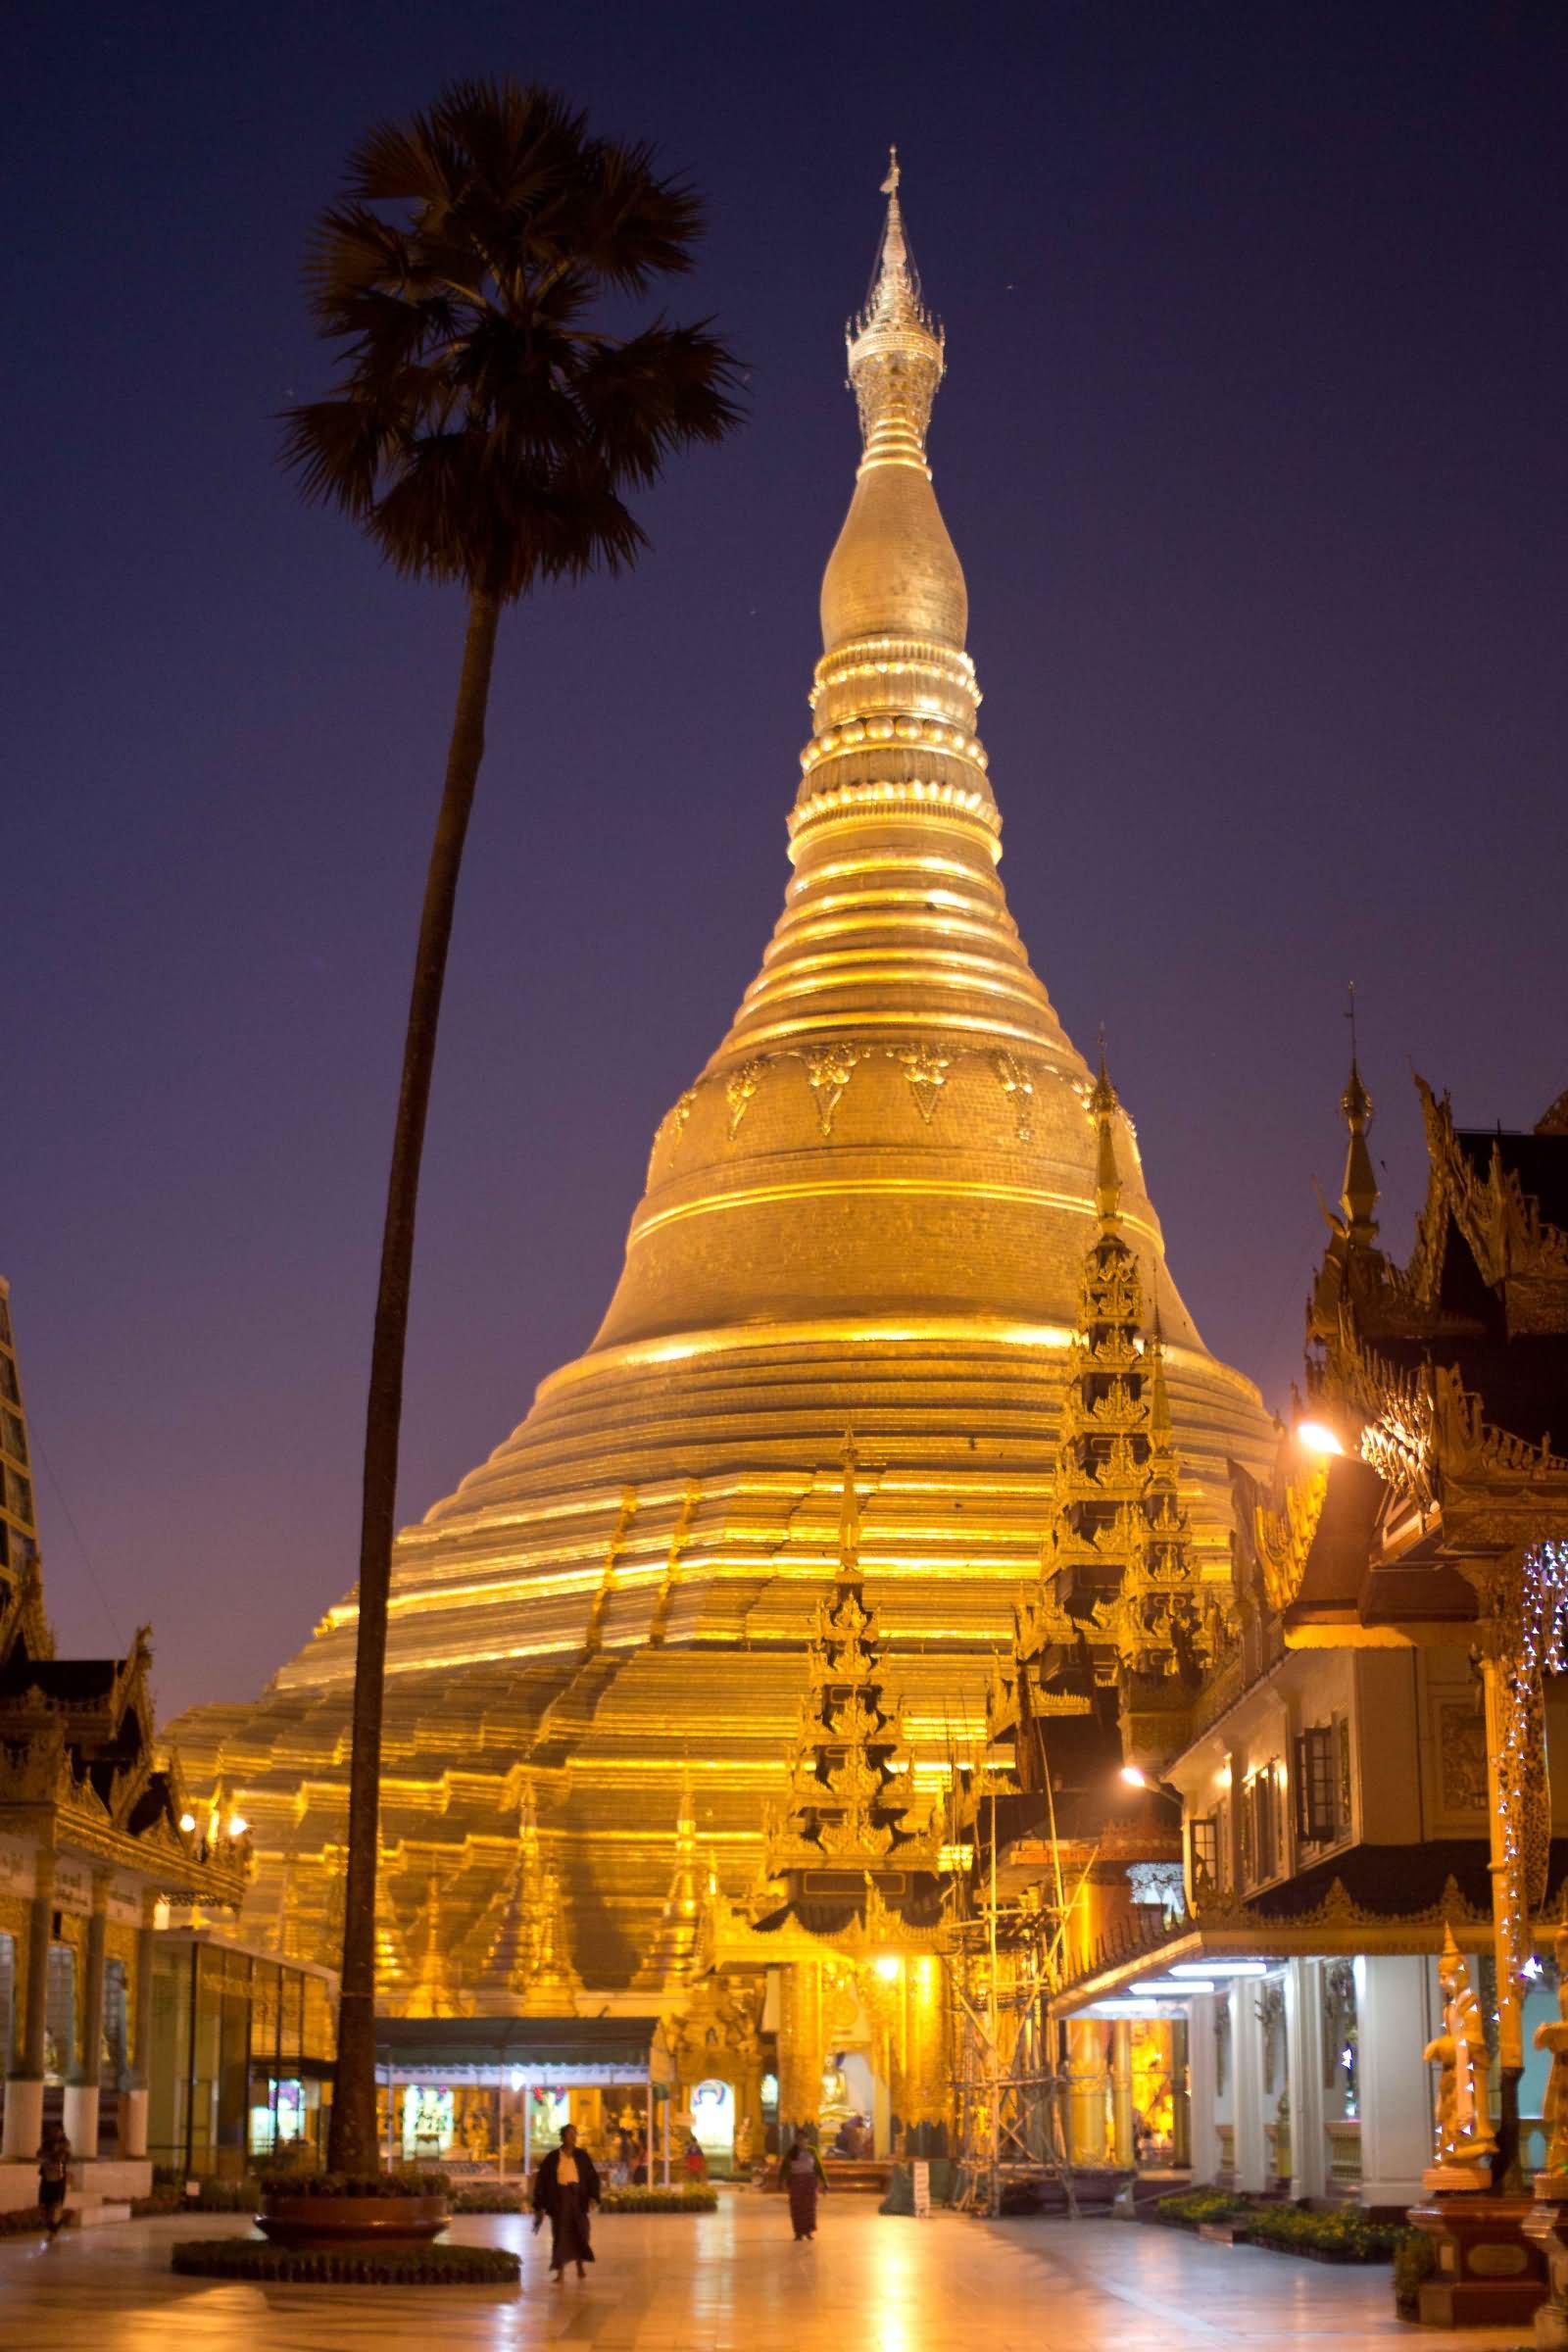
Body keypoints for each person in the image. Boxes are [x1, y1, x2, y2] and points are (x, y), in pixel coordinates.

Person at [532, 2123, 601, 2282]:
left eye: (575, 2134)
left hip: (578, 2199)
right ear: (563, 2137)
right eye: (570, 2134)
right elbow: (542, 2181)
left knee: (581, 2231)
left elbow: (592, 2177)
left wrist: (592, 2196)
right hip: (560, 2200)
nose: (573, 2137)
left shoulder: (582, 2156)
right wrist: (539, 2206)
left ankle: (580, 2265)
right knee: (561, 2234)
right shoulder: (553, 2158)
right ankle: (560, 2271)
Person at [778, 2131, 826, 2242]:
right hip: (796, 2183)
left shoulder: (812, 2151)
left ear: (807, 2140)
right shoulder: (791, 2152)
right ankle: (798, 2232)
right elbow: (784, 2168)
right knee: (797, 2208)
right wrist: (781, 2182)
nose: (800, 2141)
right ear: (795, 2140)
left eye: (802, 2139)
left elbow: (819, 2168)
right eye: (798, 2139)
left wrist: (824, 2182)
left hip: (810, 2182)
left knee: (809, 2208)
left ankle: (808, 2231)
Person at [36, 2124, 72, 2236]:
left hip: (58, 2178)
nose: (55, 2132)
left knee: (55, 2206)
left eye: (57, 2130)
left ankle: (54, 2228)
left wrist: (49, 2156)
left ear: (62, 2131)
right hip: (46, 2177)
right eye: (53, 2130)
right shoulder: (46, 2143)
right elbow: (39, 2154)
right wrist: (50, 2156)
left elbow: (60, 2157)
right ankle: (53, 2226)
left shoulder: (65, 2144)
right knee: (43, 2207)